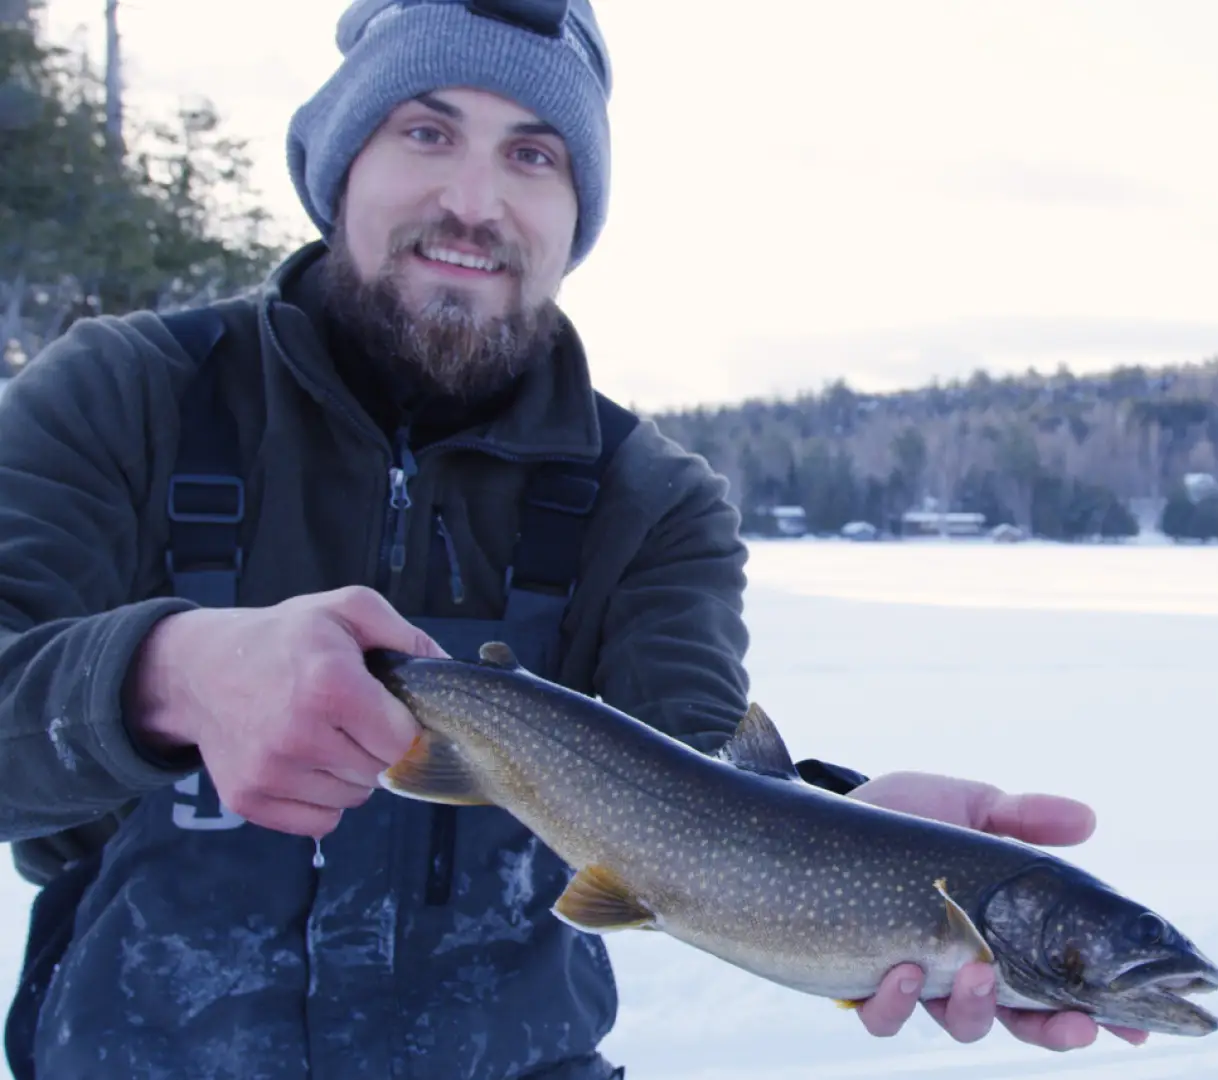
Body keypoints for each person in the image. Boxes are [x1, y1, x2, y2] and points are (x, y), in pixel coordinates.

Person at [0, 1, 1144, 1076]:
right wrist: (164, 677)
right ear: (338, 163)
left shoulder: (650, 502)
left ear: (576, 214)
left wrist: (857, 849)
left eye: (534, 154)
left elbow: (689, 788)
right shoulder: (123, 399)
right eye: (426, 130)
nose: (474, 200)